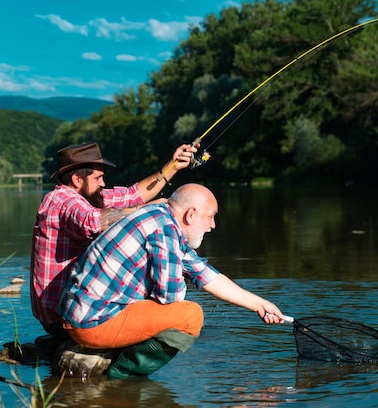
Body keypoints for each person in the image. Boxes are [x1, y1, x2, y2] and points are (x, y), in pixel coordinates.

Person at [59, 183, 286, 379]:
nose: (213, 225)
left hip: (83, 313)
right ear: (191, 215)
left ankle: (112, 355)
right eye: (211, 216)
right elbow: (171, 297)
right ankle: (122, 374)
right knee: (189, 316)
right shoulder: (164, 230)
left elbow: (208, 275)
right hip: (92, 322)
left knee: (169, 306)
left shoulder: (160, 216)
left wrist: (259, 304)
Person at [30, 141, 197, 338]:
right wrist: (149, 212)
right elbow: (92, 221)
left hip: (77, 307)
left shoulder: (90, 197)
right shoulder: (60, 200)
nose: (103, 183)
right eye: (98, 177)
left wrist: (173, 166)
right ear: (76, 179)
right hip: (62, 316)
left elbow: (134, 194)